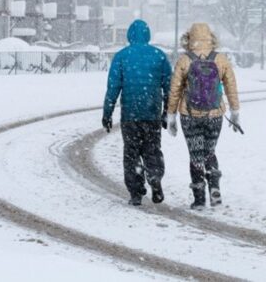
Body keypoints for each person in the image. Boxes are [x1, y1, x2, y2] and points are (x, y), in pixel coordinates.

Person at [166, 23, 241, 210]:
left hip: (189, 115)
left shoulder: (184, 60)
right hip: (215, 115)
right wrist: (235, 111)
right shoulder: (221, 59)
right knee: (209, 152)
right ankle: (215, 189)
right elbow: (231, 87)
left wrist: (171, 115)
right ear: (211, 37)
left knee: (196, 155)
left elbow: (174, 90)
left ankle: (199, 198)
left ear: (189, 38)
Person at [102, 19, 172, 206]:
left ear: (129, 35)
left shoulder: (122, 57)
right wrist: (167, 111)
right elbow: (169, 87)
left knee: (131, 153)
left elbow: (113, 87)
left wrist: (107, 113)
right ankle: (155, 177)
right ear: (148, 35)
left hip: (130, 114)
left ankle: (136, 191)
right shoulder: (159, 56)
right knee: (152, 150)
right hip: (152, 113)